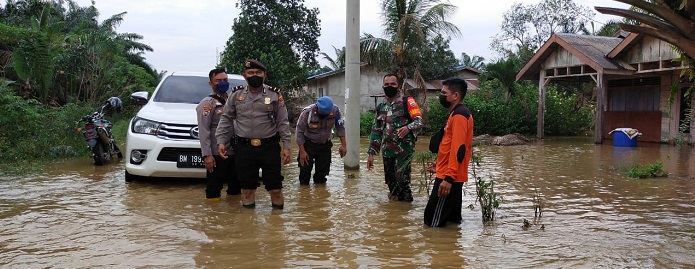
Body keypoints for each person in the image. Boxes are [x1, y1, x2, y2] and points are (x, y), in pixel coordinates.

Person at [215, 59, 291, 209]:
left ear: (264, 75)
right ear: (245, 76)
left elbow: (283, 122)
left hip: (269, 148)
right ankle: (249, 227)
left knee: (275, 189)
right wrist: (221, 140)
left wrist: (286, 146)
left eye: (258, 72)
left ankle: (277, 228)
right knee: (247, 190)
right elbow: (226, 118)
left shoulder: (274, 94)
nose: (254, 75)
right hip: (244, 149)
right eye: (251, 73)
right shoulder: (236, 95)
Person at [424, 78, 474, 227]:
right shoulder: (456, 114)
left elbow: (458, 149)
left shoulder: (459, 115)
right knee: (451, 223)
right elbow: (450, 146)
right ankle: (450, 249)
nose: (441, 96)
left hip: (449, 178)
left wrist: (448, 178)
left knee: (432, 222)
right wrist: (439, 165)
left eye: (444, 93)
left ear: (455, 95)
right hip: (448, 174)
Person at [367, 73, 423, 202]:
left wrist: (408, 127)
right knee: (390, 183)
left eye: (392, 84)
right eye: (387, 84)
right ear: (383, 86)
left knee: (403, 182)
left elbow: (419, 121)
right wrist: (371, 154)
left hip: (403, 152)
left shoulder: (407, 101)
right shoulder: (381, 107)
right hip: (387, 152)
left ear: (398, 86)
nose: (389, 86)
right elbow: (376, 131)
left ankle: (405, 212)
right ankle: (393, 213)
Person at [196, 68, 240, 202]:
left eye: (225, 80)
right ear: (211, 83)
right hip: (216, 154)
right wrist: (207, 155)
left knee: (236, 189)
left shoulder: (233, 101)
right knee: (214, 190)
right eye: (218, 80)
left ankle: (232, 217)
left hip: (235, 152)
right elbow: (204, 131)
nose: (223, 83)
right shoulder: (207, 104)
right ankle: (213, 218)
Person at [295, 96, 347, 185]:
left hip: (325, 145)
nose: (324, 116)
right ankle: (304, 196)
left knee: (322, 174)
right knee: (305, 173)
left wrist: (343, 145)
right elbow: (299, 132)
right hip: (308, 145)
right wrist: (302, 152)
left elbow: (340, 127)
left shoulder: (335, 110)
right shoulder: (307, 113)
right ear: (317, 107)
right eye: (322, 113)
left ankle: (321, 196)